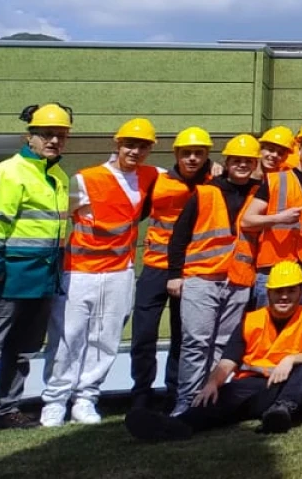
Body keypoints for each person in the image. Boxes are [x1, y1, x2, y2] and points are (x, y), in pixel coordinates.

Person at [0, 103, 74, 436]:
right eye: (47, 134)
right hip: (4, 277)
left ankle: (7, 410)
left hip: (39, 280)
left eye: (61, 135)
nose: (54, 140)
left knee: (22, 349)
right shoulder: (6, 173)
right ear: (31, 136)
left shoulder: (58, 176)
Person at [124, 260, 302, 441]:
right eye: (279, 291)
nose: (284, 296)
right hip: (252, 386)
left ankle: (281, 412)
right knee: (217, 397)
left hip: (289, 389)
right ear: (268, 292)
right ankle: (175, 425)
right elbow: (227, 362)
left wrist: (291, 359)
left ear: (301, 292)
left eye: (291, 291)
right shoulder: (251, 319)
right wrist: (212, 383)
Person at [40, 117, 157, 427]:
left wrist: (213, 169)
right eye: (130, 144)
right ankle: (54, 401)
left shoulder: (149, 176)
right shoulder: (85, 179)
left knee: (106, 337)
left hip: (119, 271)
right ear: (116, 144)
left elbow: (183, 176)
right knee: (68, 337)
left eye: (143, 146)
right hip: (79, 271)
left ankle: (86, 398)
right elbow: (55, 216)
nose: (136, 151)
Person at [168, 133, 263, 416]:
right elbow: (179, 236)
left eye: (248, 161)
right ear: (227, 162)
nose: (242, 165)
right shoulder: (205, 192)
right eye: (237, 160)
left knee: (223, 345)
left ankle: (211, 400)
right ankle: (186, 402)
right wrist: (175, 275)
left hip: (239, 280)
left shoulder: (259, 192)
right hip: (202, 278)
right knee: (196, 342)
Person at [130, 114, 214, 410]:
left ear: (207, 156)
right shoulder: (157, 181)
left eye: (199, 153)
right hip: (155, 267)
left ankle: (175, 392)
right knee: (143, 334)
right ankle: (140, 393)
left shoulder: (214, 184)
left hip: (191, 270)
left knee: (183, 335)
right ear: (176, 154)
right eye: (186, 153)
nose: (192, 158)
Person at [243, 123, 302, 308]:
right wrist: (278, 218)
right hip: (273, 263)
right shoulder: (275, 180)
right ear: (299, 150)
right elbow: (247, 221)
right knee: (266, 323)